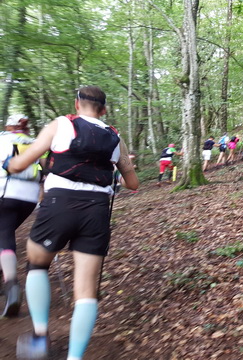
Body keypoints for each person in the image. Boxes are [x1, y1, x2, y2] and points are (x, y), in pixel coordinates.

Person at [3, 86, 139, 360]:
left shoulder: (60, 125)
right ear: (104, 110)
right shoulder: (115, 137)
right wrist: (116, 172)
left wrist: (8, 163)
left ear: (77, 105)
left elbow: (20, 165)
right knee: (87, 289)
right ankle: (75, 357)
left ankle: (40, 337)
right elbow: (132, 183)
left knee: (37, 262)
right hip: (97, 212)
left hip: (59, 204)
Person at [0, 114, 44, 318]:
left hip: (5, 192)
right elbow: (46, 169)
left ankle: (11, 285)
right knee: (4, 233)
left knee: (4, 234)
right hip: (29, 198)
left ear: (9, 126)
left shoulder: (2, 139)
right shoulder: (35, 143)